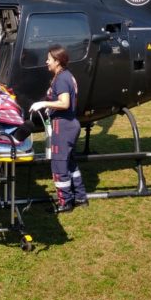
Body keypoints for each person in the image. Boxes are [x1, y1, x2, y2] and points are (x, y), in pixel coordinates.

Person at [29, 44, 88, 213]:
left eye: (49, 59)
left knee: (59, 164)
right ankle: (80, 197)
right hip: (69, 124)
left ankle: (65, 202)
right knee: (70, 162)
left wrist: (44, 103)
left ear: (57, 61)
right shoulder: (65, 76)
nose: (46, 62)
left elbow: (65, 103)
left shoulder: (62, 78)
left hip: (63, 126)